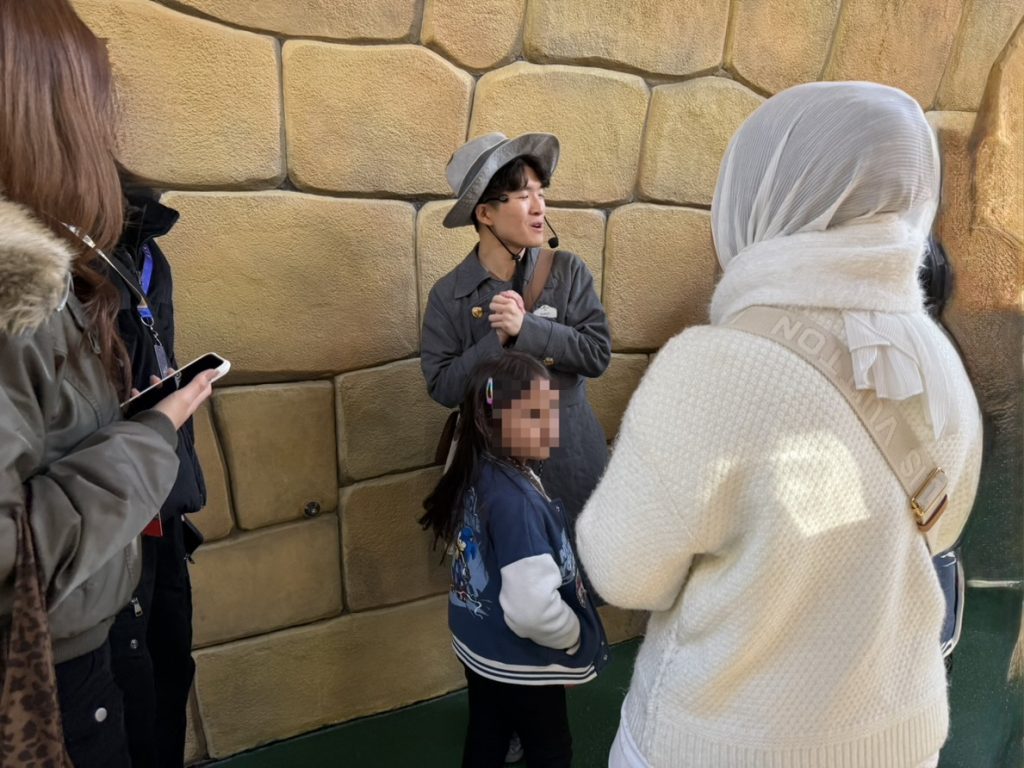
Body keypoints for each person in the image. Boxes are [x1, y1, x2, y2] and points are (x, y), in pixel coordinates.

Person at [576, 82, 983, 768]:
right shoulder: (938, 360)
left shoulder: (711, 366)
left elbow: (623, 571)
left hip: (717, 745)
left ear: (764, 194)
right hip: (895, 742)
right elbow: (938, 526)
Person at [0, 1, 216, 764]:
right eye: (94, 99)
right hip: (51, 669)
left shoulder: (96, 250)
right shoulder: (23, 287)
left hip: (130, 558)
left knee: (162, 687)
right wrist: (152, 437)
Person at [419, 352, 608, 768]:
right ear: (491, 422)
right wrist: (571, 639)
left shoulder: (479, 471)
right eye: (534, 416)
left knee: (487, 734)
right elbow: (532, 612)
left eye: (550, 411)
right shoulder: (516, 503)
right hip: (523, 663)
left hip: (480, 649)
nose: (551, 425)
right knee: (551, 749)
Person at [421, 132, 611, 543]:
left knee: (585, 571)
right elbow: (443, 387)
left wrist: (529, 329)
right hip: (496, 477)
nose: (540, 207)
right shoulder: (449, 295)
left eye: (541, 193)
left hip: (573, 461)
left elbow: (597, 354)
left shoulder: (568, 272)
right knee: (514, 575)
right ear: (485, 213)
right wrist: (497, 342)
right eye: (524, 196)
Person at [106, 184, 206, 768]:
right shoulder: (60, 267)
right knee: (130, 683)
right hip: (109, 515)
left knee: (171, 662)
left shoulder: (148, 252)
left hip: (162, 500)